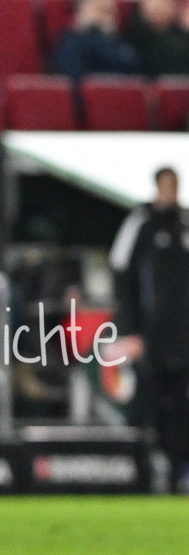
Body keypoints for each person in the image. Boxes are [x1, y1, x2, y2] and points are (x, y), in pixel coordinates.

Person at [109, 167, 189, 491]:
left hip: (183, 335)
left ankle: (177, 470)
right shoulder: (140, 223)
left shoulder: (185, 224)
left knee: (181, 403)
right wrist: (130, 329)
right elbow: (121, 272)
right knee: (148, 399)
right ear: (157, 187)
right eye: (166, 186)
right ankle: (144, 470)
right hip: (150, 335)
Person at [53, 0, 144, 80]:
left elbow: (137, 71)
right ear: (82, 10)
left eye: (109, 11)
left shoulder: (122, 42)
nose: (105, 16)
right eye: (99, 9)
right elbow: (75, 76)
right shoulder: (71, 41)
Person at [128, 0, 189, 76]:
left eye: (161, 1)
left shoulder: (183, 40)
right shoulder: (135, 40)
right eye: (150, 3)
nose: (155, 8)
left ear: (173, 4)